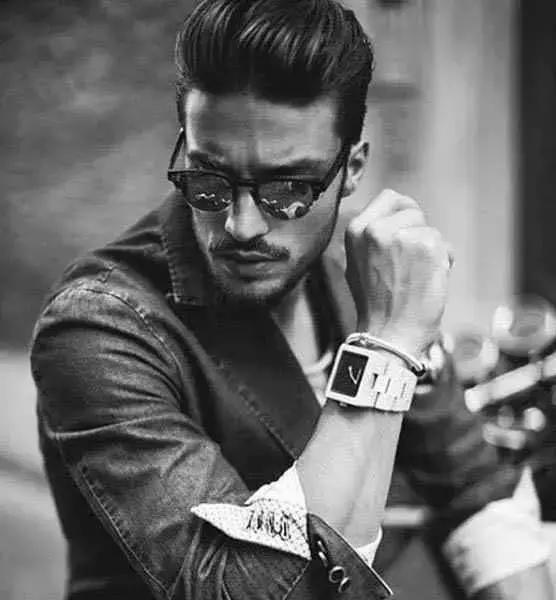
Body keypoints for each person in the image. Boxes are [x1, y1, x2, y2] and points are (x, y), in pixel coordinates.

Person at [30, 0, 553, 598]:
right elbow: (238, 588)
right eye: (210, 179)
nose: (242, 225)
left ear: (351, 168)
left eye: (288, 189)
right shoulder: (98, 328)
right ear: (186, 148)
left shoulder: (359, 277)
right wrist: (384, 352)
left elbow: (475, 485)